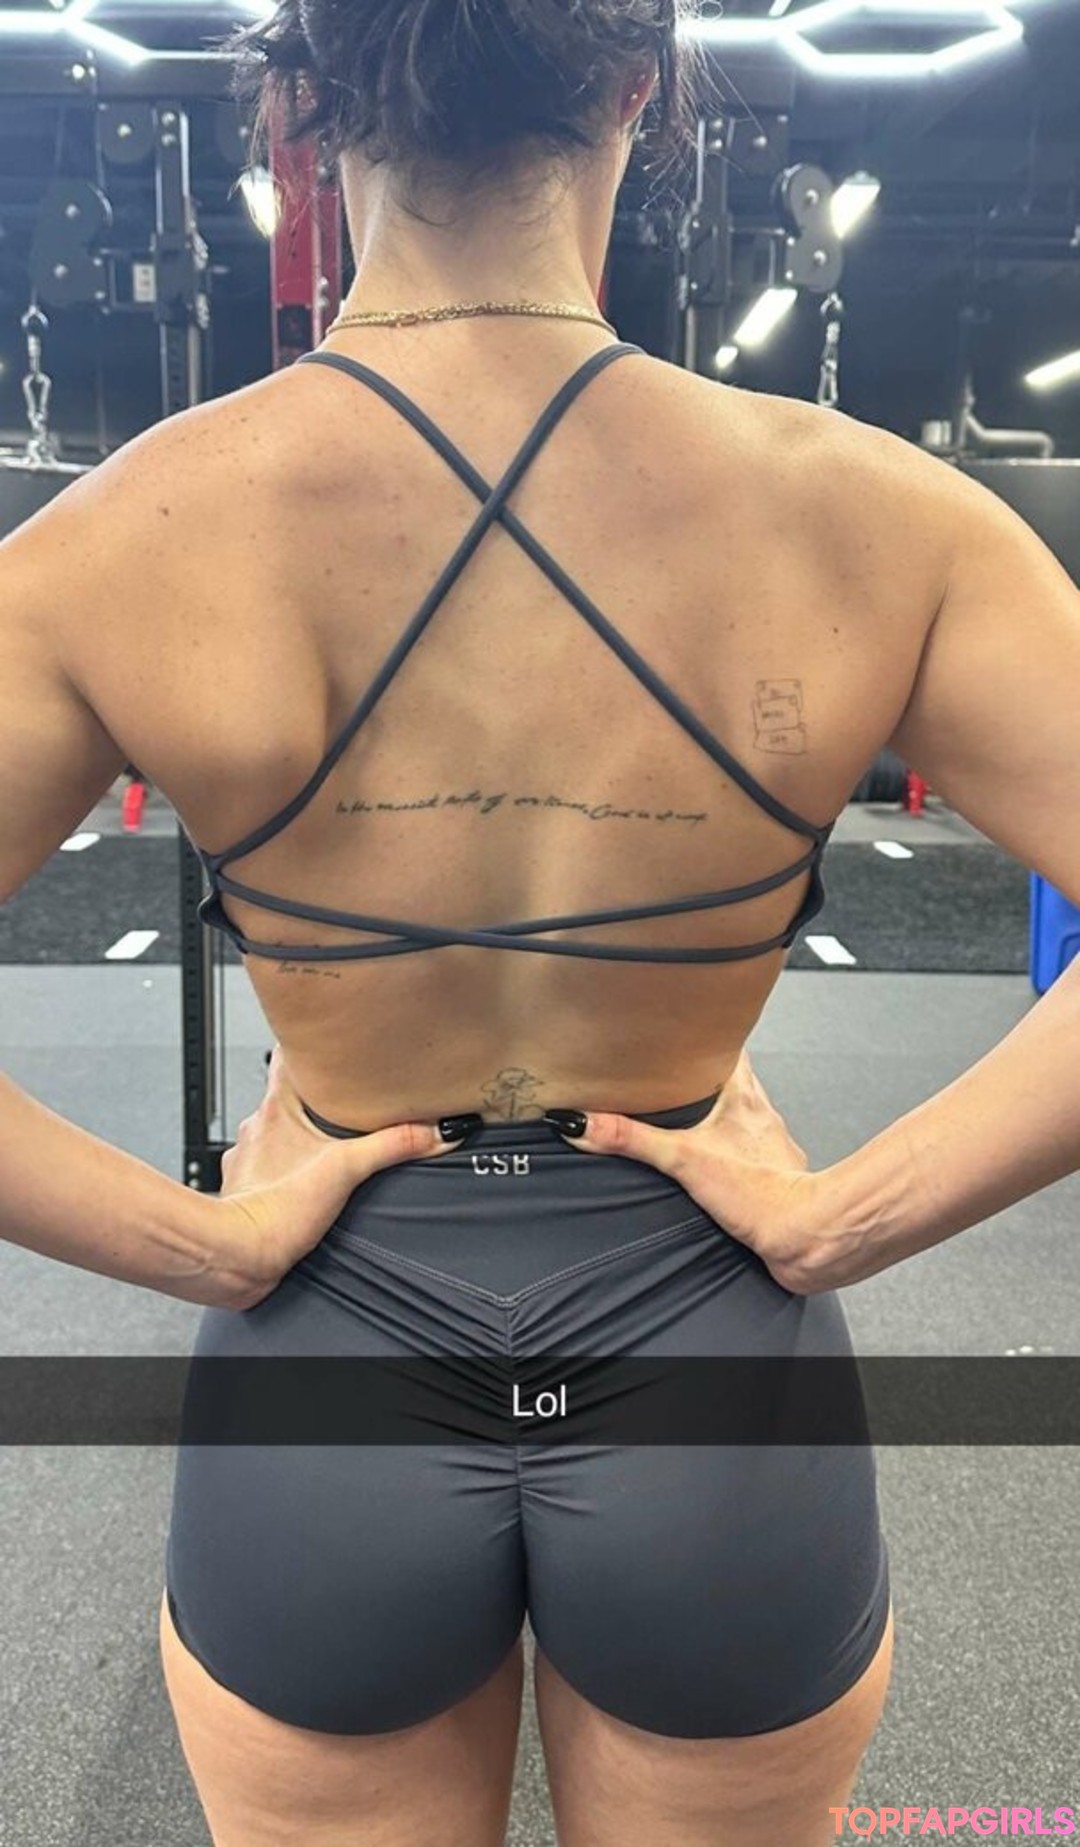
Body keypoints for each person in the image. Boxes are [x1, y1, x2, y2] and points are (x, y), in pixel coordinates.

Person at [1, 0, 1079, 1839]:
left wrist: (204, 1247)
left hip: (325, 1364)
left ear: (298, 104)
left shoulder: (117, 543)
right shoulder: (885, 521)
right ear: (641, 92)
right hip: (711, 1362)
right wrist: (850, 1216)